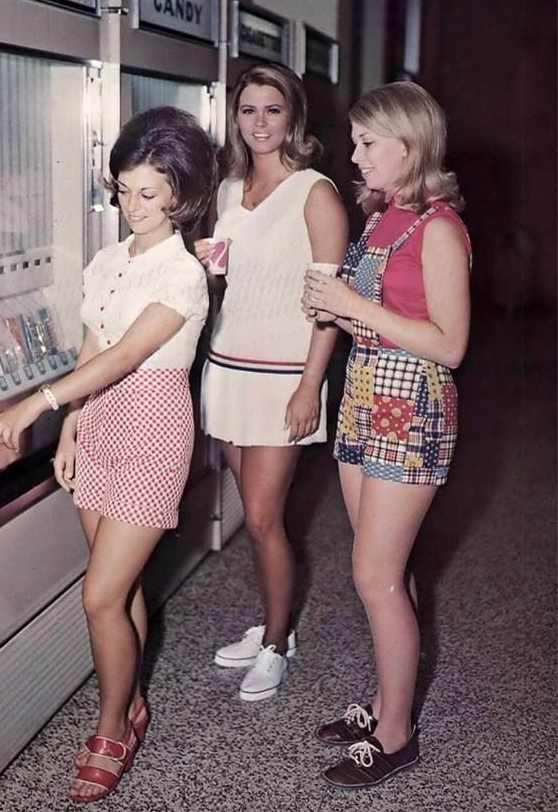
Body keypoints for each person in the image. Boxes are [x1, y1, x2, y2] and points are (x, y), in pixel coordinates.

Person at [0, 107, 216, 803]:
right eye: (123, 190)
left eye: (150, 193)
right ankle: (134, 701)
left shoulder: (183, 276)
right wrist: (77, 428)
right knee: (120, 592)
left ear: (182, 193)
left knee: (99, 595)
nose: (133, 206)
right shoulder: (107, 261)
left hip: (153, 427)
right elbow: (93, 349)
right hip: (103, 422)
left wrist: (39, 404)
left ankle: (113, 728)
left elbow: (126, 355)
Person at [302, 81, 471, 789]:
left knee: (373, 575)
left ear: (410, 145)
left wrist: (346, 302)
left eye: (369, 142)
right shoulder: (381, 219)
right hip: (366, 392)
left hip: (413, 400)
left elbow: (450, 345)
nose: (356, 153)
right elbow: (376, 315)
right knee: (387, 574)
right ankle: (382, 704)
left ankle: (398, 736)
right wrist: (334, 310)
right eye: (356, 140)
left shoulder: (437, 228)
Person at [196, 63, 348, 701]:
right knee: (250, 515)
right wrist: (209, 268)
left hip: (285, 374)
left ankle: (279, 642)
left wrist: (310, 386)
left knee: (263, 519)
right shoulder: (229, 188)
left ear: (294, 119)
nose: (258, 123)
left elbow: (330, 302)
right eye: (248, 110)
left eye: (272, 110)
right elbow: (228, 283)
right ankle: (272, 623)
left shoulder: (316, 192)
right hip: (228, 366)